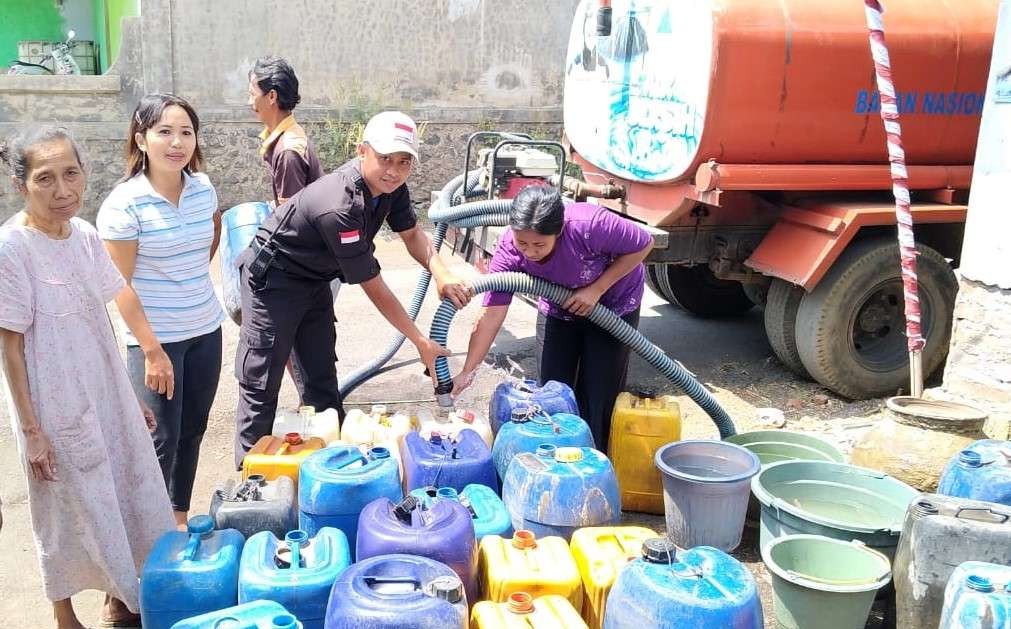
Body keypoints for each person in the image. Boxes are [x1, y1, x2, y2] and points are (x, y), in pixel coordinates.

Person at [0, 126, 174, 629]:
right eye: (45, 179)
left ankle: (120, 597)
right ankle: (64, 614)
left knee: (123, 491)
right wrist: (33, 432)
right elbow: (9, 348)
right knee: (65, 508)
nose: (62, 191)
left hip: (101, 390)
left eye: (71, 174)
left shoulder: (86, 235)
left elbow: (100, 320)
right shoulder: (14, 248)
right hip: (50, 404)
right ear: (20, 185)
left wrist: (125, 393)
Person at [233, 110, 470, 468]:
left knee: (321, 377)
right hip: (274, 281)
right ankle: (253, 484)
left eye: (404, 162)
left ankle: (329, 470)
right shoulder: (340, 205)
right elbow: (372, 283)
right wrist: (420, 342)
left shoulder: (391, 188)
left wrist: (441, 271)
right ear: (363, 151)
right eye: (385, 158)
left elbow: (410, 233)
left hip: (313, 279)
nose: (393, 170)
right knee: (261, 383)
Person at [97, 94, 225, 529]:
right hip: (156, 341)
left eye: (186, 132)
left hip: (206, 329)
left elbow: (212, 231)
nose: (177, 142)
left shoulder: (203, 189)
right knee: (157, 438)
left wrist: (186, 282)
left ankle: (178, 517)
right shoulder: (124, 204)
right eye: (164, 132)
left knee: (192, 430)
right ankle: (143, 531)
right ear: (142, 139)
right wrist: (151, 349)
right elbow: (119, 284)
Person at [451, 185, 652, 451]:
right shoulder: (509, 252)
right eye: (523, 243)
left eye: (539, 245)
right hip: (559, 307)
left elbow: (644, 243)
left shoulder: (589, 225)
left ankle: (593, 458)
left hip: (612, 305)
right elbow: (492, 313)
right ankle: (552, 457)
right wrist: (468, 371)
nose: (530, 252)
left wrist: (596, 289)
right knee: (552, 392)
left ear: (559, 231)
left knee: (598, 396)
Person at [248, 55, 324, 206]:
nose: (249, 102)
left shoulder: (287, 152)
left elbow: (292, 221)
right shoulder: (288, 134)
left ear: (271, 96)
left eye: (252, 94)